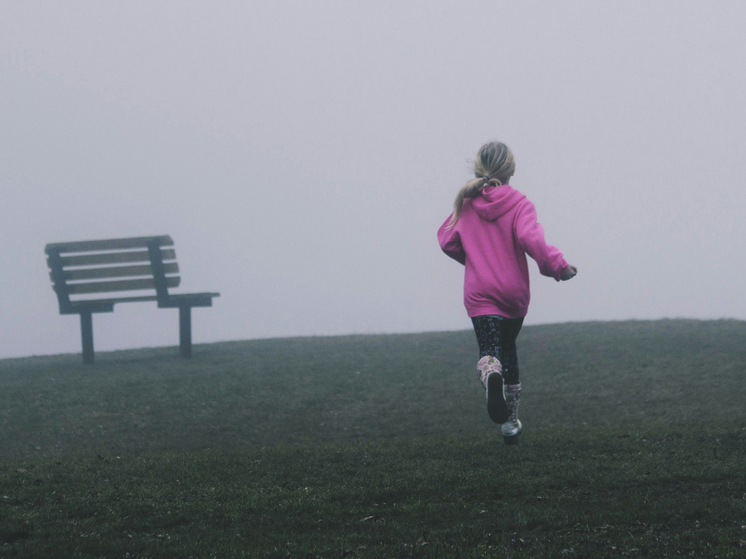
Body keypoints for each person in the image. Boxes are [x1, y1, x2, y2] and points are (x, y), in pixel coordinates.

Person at [437, 141, 577, 445]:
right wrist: (559, 267)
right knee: (509, 350)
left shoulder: (466, 203)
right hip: (513, 294)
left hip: (480, 294)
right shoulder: (519, 204)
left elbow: (447, 240)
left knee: (490, 350)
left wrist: (474, 258)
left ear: (478, 169)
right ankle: (510, 424)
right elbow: (531, 239)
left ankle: (491, 378)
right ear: (510, 170)